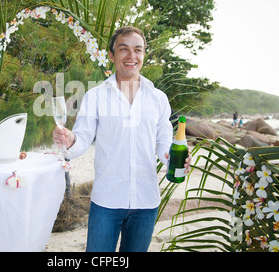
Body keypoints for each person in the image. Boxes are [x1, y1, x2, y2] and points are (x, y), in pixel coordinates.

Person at [52, 26, 191, 252]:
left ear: (144, 55)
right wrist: (69, 140)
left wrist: (174, 160)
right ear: (111, 55)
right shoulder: (95, 96)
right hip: (107, 201)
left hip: (146, 201)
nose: (131, 56)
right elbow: (83, 139)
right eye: (123, 49)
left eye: (138, 50)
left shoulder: (158, 98)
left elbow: (163, 143)